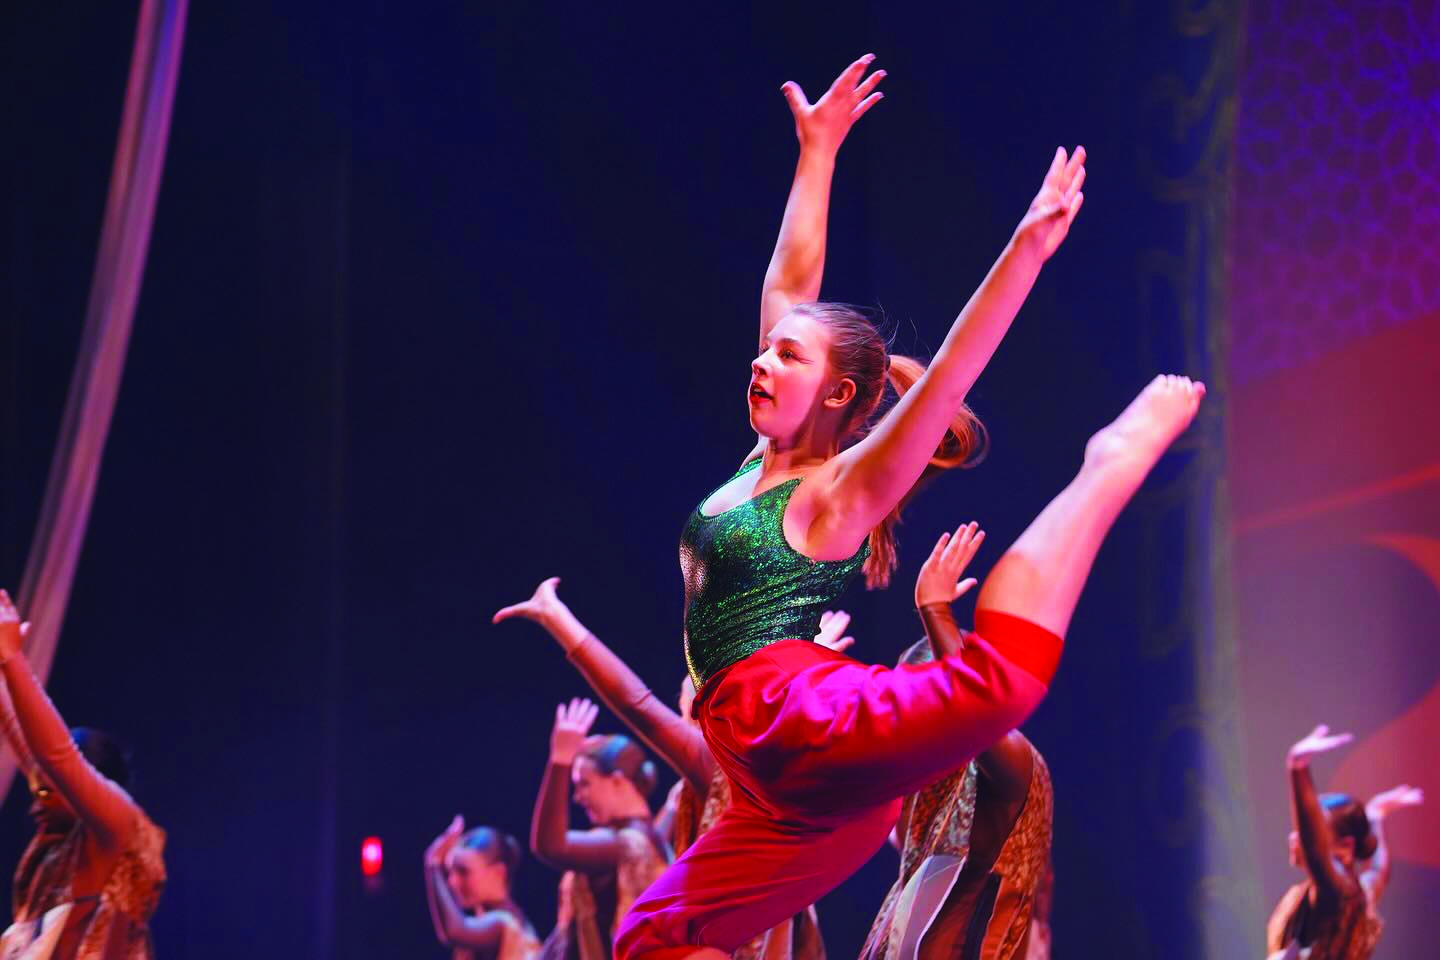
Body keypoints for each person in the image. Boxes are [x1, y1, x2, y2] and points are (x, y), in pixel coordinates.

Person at [607, 47, 1205, 956]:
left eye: (787, 357)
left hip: (801, 729)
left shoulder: (838, 490)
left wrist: (1025, 250)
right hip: (774, 790)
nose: (761, 360)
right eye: (766, 351)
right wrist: (818, 152)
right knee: (651, 938)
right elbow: (789, 283)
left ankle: (1108, 465)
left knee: (1000, 684)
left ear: (838, 395)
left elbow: (952, 369)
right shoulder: (758, 460)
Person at [493, 581, 853, 960]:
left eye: (685, 705)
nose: (681, 719)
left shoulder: (717, 764)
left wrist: (557, 619)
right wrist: (804, 668)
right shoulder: (768, 771)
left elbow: (636, 702)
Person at [862, 523, 1053, 960]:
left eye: (924, 701)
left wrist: (936, 610)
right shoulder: (926, 797)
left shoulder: (1014, 764)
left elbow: (973, 713)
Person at [0, 590, 165, 960]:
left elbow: (56, 756)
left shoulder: (117, 828)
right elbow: (25, 739)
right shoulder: (59, 849)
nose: (35, 805)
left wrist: (13, 661)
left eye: (47, 794)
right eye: (36, 792)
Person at [1264, 725, 1424, 960]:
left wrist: (1298, 769)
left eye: (1309, 831)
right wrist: (1376, 814)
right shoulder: (1360, 894)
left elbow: (1316, 856)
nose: (1296, 837)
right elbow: (1379, 870)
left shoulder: (1337, 894)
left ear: (1346, 847)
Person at [531, 701, 668, 960]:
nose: (577, 797)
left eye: (584, 784)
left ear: (617, 781)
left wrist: (560, 760)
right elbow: (566, 937)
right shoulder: (653, 836)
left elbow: (551, 845)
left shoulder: (626, 844)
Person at [424, 819, 541, 960]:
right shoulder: (508, 922)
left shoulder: (503, 924)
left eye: (463, 872)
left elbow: (454, 931)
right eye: (450, 872)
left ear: (498, 873)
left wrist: (433, 863)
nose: (452, 882)